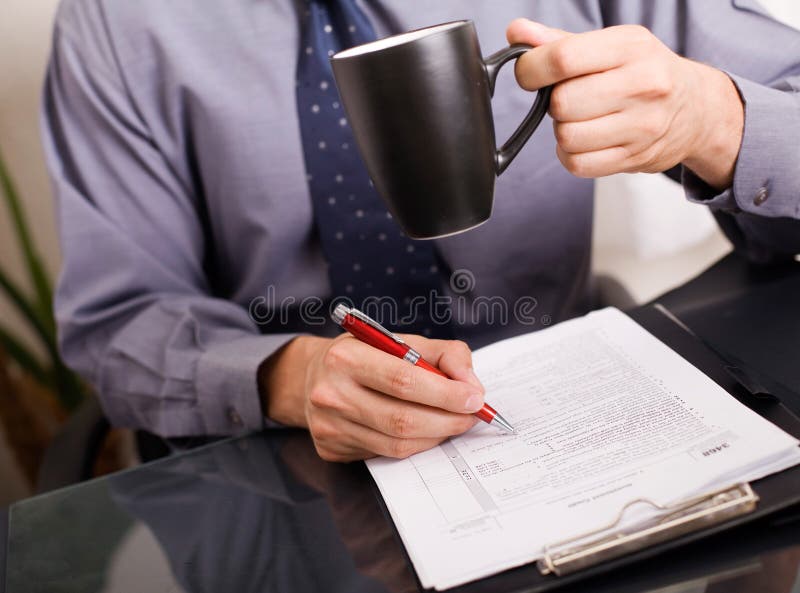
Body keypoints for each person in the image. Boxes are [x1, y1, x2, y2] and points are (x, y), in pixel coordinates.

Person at [43, 1, 800, 462]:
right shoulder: (115, 20)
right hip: (287, 462)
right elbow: (120, 319)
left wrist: (716, 121)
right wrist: (290, 377)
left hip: (561, 409)